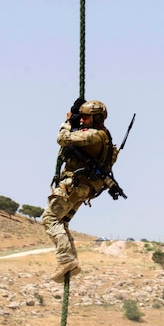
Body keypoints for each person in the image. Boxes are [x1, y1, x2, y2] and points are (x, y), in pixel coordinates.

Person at [41, 99, 117, 283]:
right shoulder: (105, 137)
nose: (82, 120)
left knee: (50, 219)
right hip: (84, 189)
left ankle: (66, 260)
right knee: (62, 222)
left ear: (96, 118)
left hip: (74, 186)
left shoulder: (95, 136)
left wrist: (67, 122)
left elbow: (63, 139)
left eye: (86, 118)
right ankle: (71, 261)